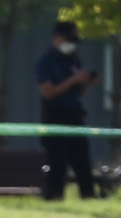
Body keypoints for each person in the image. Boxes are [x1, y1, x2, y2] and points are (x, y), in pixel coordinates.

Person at [35, 21, 100, 201]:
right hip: (55, 118)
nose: (71, 44)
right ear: (57, 38)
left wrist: (85, 82)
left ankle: (89, 199)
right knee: (58, 166)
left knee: (83, 165)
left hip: (75, 118)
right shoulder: (45, 61)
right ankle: (54, 200)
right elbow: (48, 92)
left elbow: (78, 92)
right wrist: (74, 79)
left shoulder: (73, 60)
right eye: (68, 39)